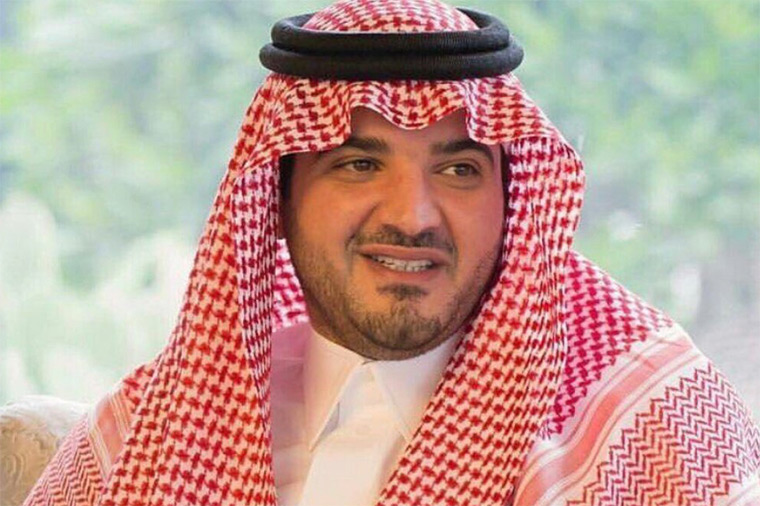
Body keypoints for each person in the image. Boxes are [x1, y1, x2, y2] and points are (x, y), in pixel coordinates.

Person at [25, 0, 760, 505]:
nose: (413, 216)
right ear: (278, 197)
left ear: (511, 198)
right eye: (358, 164)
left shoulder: (649, 429)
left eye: (459, 169)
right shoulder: (148, 435)